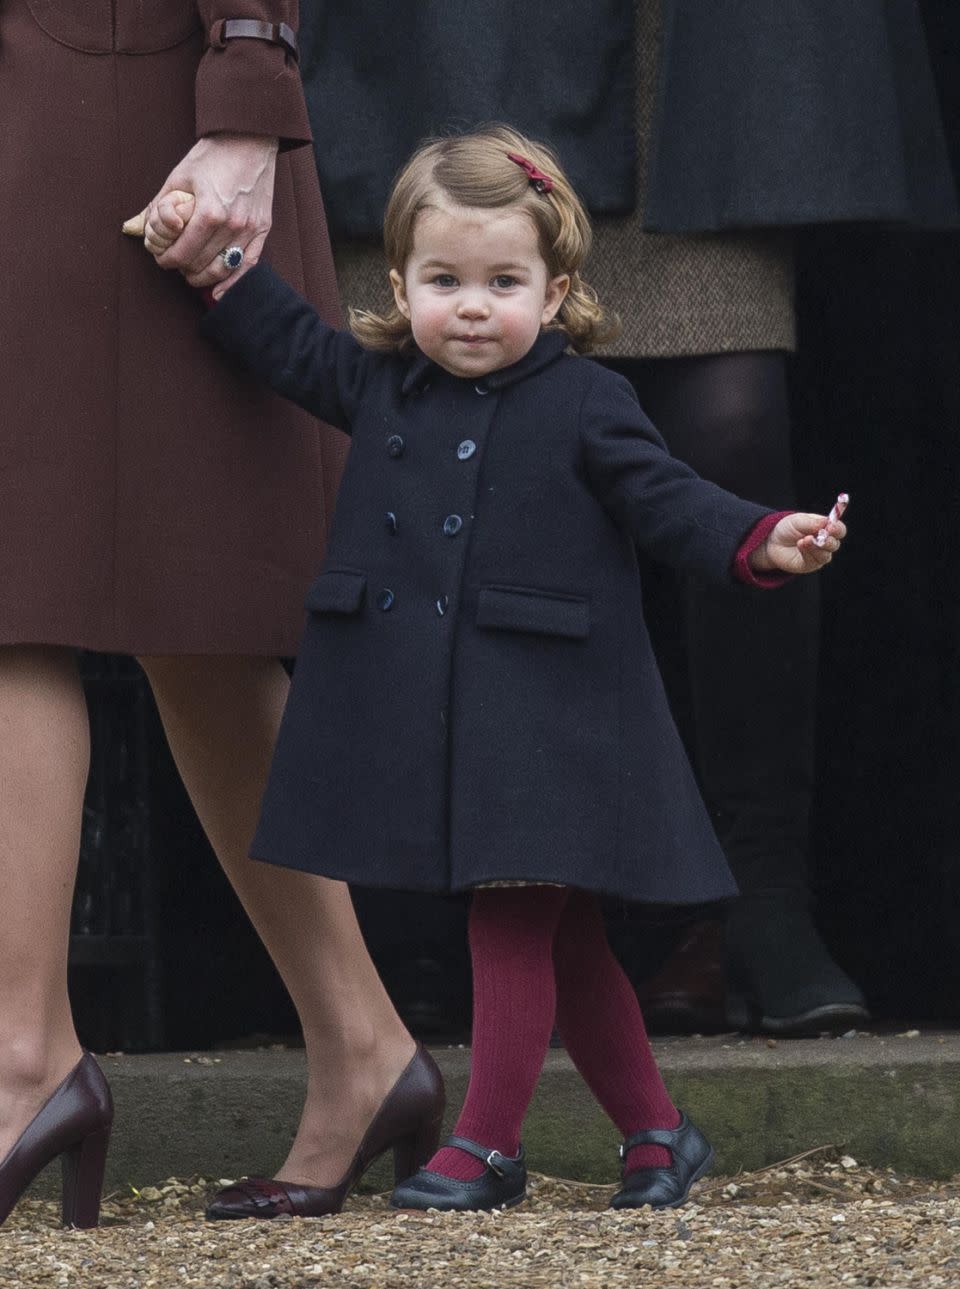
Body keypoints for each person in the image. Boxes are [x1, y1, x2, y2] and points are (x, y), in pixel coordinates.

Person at [151, 124, 847, 1211]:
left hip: (554, 718)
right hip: (444, 720)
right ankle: (659, 1131)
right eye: (444, 280)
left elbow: (670, 500)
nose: (471, 306)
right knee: (563, 935)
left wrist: (762, 537)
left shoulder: (588, 402)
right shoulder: (385, 384)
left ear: (557, 289)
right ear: (402, 282)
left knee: (512, 919)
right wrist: (220, 265)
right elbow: (290, 346)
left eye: (503, 281)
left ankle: (488, 1140)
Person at [317, 0, 956, 1035]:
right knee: (414, 444)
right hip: (453, 34)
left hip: (682, 51)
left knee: (734, 427)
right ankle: (426, 902)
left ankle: (761, 895)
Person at [0, 0, 441, 1231]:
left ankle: (22, 1060)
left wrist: (247, 80)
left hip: (122, 100)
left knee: (22, 592)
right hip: (54, 97)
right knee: (183, 617)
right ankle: (363, 1043)